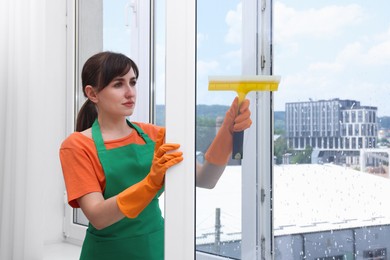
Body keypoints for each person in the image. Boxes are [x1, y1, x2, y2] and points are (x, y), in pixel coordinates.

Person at [59, 51, 251, 260]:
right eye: (118, 84)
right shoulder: (77, 146)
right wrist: (150, 183)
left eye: (133, 82)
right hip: (108, 253)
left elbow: (205, 179)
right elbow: (98, 216)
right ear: (92, 93)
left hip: (157, 249)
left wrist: (227, 133)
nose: (130, 92)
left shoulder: (155, 136)